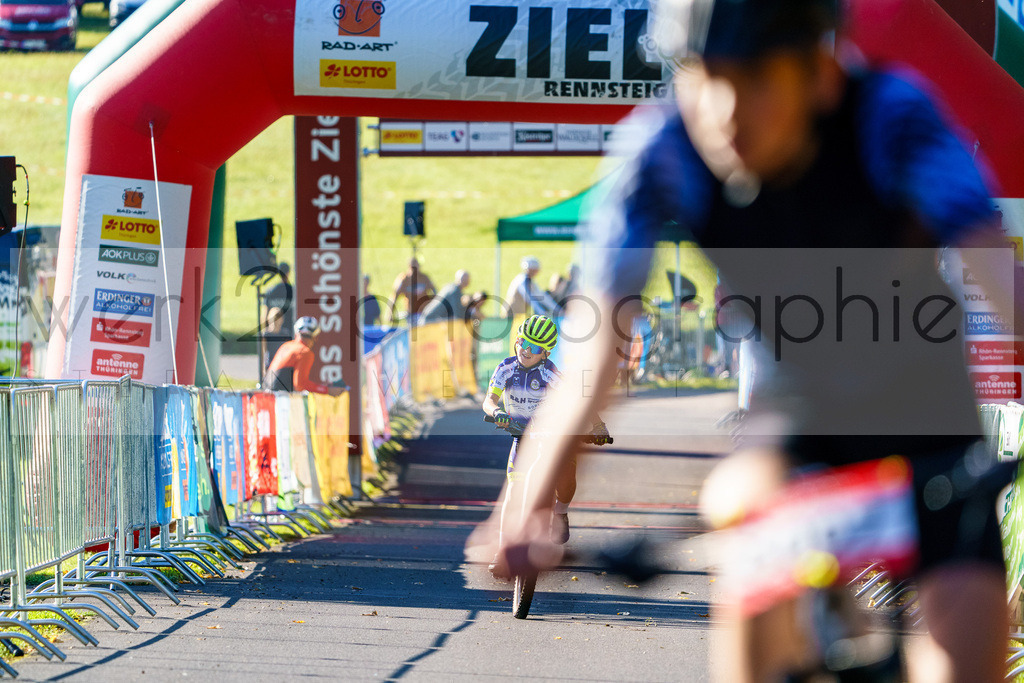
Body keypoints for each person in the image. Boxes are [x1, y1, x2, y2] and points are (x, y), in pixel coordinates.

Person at [482, 1, 1020, 680]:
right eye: (703, 76)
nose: (726, 112)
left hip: (930, 424)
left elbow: (1000, 280)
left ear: (821, 73)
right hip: (800, 417)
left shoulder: (892, 116)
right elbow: (596, 348)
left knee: (964, 660)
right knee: (748, 541)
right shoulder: (660, 149)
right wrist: (527, 497)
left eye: (757, 78)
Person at [482, 315, 610, 553]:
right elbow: (489, 401)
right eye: (522, 342)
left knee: (566, 473)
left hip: (551, 435)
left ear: (546, 354)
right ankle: (502, 549)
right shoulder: (505, 368)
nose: (526, 350)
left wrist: (598, 425)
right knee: (512, 490)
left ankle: (560, 512)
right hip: (522, 434)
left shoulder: (550, 373)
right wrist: (497, 411)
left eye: (535, 348)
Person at [265, 316, 345, 395]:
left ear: (297, 333)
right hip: (280, 399)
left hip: (266, 394)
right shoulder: (305, 352)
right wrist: (326, 390)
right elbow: (299, 385)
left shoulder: (286, 346)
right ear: (315, 337)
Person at [261, 262, 294, 370]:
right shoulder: (293, 291)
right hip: (289, 332)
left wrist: (265, 330)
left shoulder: (271, 291)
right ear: (289, 273)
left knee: (271, 362)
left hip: (273, 334)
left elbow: (264, 314)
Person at [389, 258, 436, 325]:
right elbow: (395, 296)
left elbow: (435, 292)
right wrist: (390, 314)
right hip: (411, 313)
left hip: (424, 312)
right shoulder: (404, 279)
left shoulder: (424, 278)